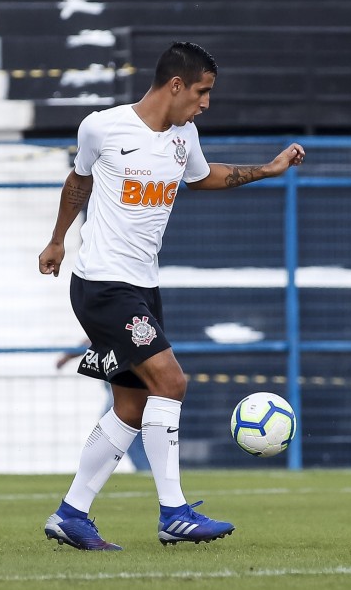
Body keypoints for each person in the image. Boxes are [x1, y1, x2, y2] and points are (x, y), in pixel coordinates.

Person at [38, 41, 305, 551]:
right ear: (176, 84)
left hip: (142, 285)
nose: (206, 102)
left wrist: (267, 170)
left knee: (132, 406)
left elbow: (204, 178)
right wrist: (57, 240)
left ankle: (72, 513)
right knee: (170, 380)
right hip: (102, 284)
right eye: (202, 91)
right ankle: (174, 512)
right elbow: (79, 181)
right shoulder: (103, 127)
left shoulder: (185, 136)